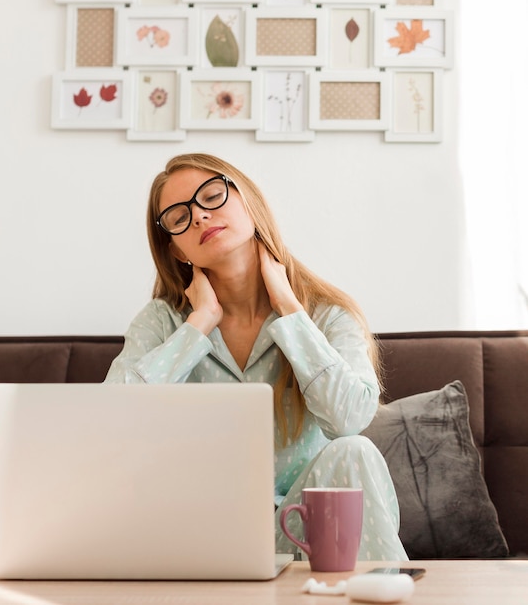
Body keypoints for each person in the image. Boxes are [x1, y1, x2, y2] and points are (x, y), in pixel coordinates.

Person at [105, 153, 408, 562]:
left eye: (211, 196)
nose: (198, 217)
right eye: (179, 217)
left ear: (248, 203)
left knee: (353, 451)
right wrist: (199, 325)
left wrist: (289, 309)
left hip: (302, 534)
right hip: (199, 539)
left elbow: (349, 419)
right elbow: (110, 418)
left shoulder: (326, 315)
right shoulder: (163, 321)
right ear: (177, 251)